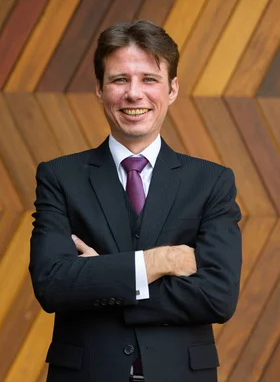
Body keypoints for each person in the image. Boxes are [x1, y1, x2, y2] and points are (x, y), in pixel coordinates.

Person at [29, 20, 242, 382]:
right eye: (119, 80)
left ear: (172, 89)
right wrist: (158, 262)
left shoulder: (211, 182)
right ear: (99, 89)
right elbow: (52, 285)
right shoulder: (59, 178)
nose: (134, 94)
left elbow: (218, 296)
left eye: (149, 79)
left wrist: (103, 275)